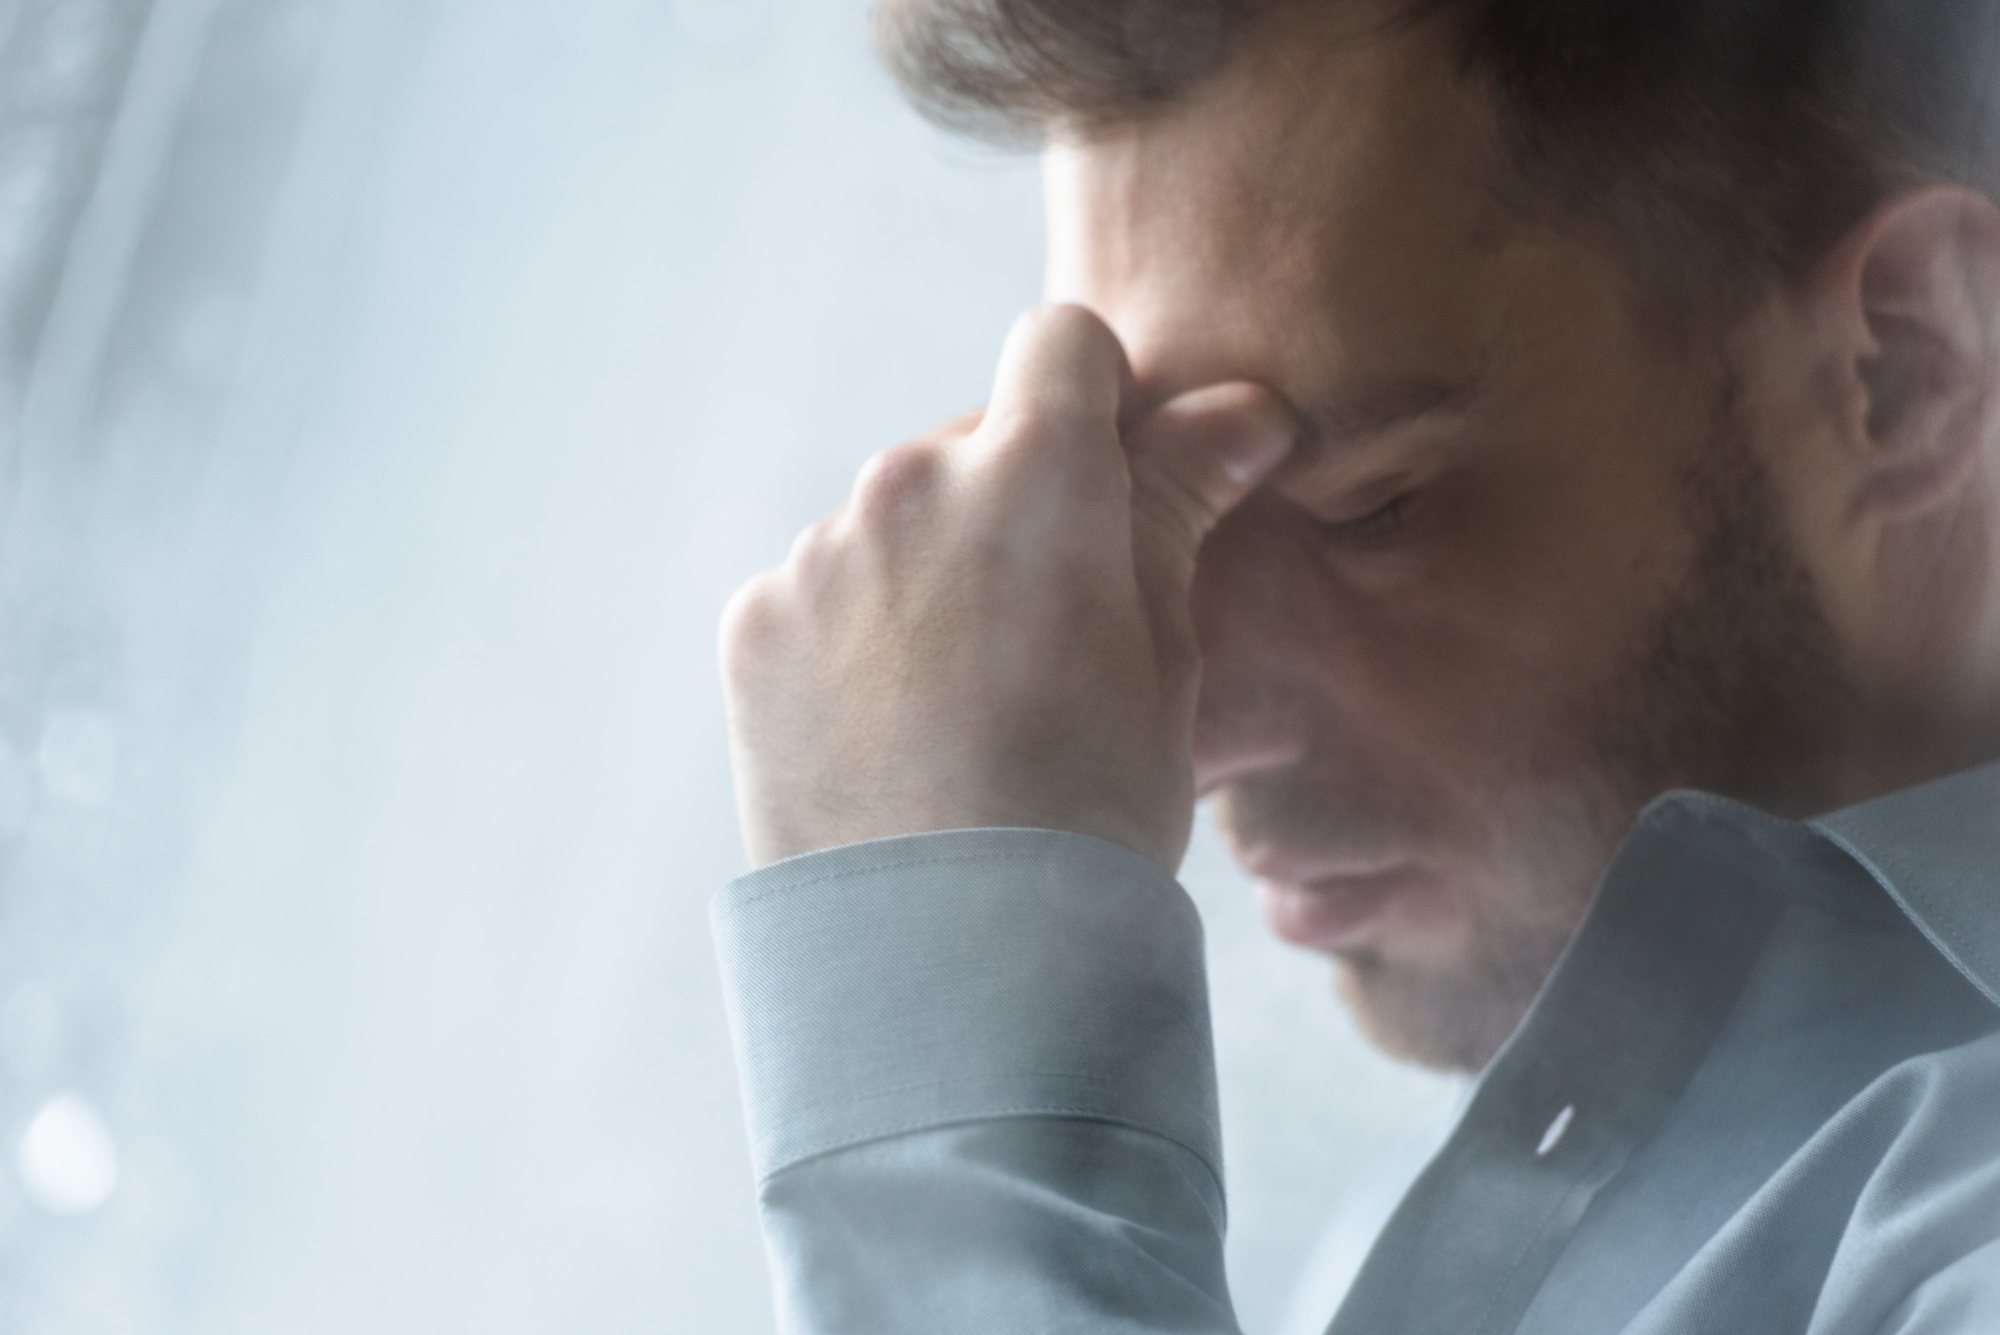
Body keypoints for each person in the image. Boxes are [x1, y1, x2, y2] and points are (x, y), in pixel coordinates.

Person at [711, 1, 2000, 1330]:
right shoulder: (1452, 1233)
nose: (1193, 734)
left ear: (1907, 364)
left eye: (1370, 507)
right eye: (1165, 506)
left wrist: (955, 1064)